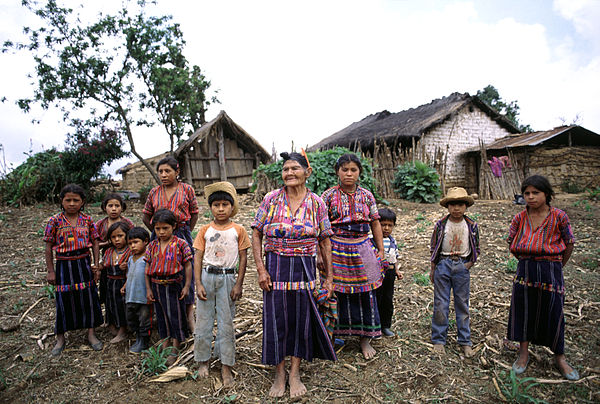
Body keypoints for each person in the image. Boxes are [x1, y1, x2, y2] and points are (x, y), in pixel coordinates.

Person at [252, 151, 336, 399]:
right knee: (276, 319)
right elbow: (256, 233)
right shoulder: (271, 199)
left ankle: (295, 372)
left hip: (304, 267)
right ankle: (279, 373)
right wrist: (260, 269)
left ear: (307, 173)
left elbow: (325, 240)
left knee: (301, 319)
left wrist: (329, 277)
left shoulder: (317, 203)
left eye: (294, 169)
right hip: (275, 267)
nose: (289, 173)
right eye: (285, 169)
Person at [507, 175, 578, 380]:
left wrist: (556, 265)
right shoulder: (520, 218)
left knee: (554, 311)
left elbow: (569, 242)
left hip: (551, 269)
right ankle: (523, 354)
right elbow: (512, 241)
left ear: (546, 194)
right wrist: (526, 258)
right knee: (524, 310)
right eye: (527, 193)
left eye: (535, 193)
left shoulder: (559, 216)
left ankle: (560, 357)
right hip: (526, 269)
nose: (530, 197)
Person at [321, 153, 384, 359]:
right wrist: (320, 253)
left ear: (359, 173)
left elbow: (375, 222)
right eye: (344, 169)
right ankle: (331, 338)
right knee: (336, 292)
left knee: (367, 291)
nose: (349, 173)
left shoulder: (367, 196)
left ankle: (365, 340)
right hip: (336, 245)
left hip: (363, 246)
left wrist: (380, 249)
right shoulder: (328, 196)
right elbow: (320, 227)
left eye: (353, 170)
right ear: (337, 172)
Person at [193, 181, 251, 386]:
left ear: (231, 207)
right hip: (207, 277)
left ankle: (226, 366)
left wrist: (239, 284)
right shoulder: (204, 230)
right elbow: (198, 257)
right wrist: (198, 282)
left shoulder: (239, 230)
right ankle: (203, 361)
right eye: (216, 205)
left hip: (228, 278)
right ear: (210, 208)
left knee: (226, 323)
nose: (220, 209)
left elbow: (243, 258)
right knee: (203, 321)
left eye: (224, 205)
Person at [43, 184, 103, 356]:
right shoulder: (54, 221)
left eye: (76, 200)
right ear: (61, 201)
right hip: (63, 266)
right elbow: (48, 247)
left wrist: (96, 265)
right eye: (67, 200)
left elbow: (96, 242)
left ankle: (91, 333)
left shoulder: (88, 220)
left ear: (82, 201)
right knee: (63, 299)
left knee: (89, 297)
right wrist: (50, 271)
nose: (71, 203)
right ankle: (60, 337)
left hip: (83, 263)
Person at [142, 156, 199, 333]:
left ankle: (189, 316)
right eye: (161, 171)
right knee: (160, 272)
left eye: (168, 171)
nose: (164, 175)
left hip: (181, 233)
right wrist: (159, 231)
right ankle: (165, 319)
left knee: (184, 272)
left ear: (177, 171)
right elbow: (146, 215)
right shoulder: (154, 192)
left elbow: (194, 213)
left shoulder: (187, 190)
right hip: (160, 236)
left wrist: (183, 232)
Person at [429, 187, 479, 357]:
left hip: (461, 265)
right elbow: (434, 247)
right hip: (443, 264)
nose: (456, 208)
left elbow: (476, 248)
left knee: (462, 305)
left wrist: (469, 264)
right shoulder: (441, 225)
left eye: (460, 205)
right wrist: (433, 269)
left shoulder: (471, 225)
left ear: (466, 206)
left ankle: (465, 340)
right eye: (452, 205)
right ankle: (438, 339)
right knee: (441, 304)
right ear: (447, 207)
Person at [144, 208, 193, 366]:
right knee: (162, 314)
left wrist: (186, 286)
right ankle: (165, 341)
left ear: (174, 227)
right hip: (157, 285)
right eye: (157, 228)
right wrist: (148, 289)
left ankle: (176, 344)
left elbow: (187, 266)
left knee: (175, 315)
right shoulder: (152, 246)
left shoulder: (181, 244)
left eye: (165, 228)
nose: (161, 232)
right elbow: (147, 270)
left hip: (174, 285)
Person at [95, 193, 134, 320]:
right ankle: (110, 318)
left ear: (122, 208)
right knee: (107, 288)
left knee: (122, 289)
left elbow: (134, 239)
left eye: (117, 206)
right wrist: (108, 244)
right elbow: (94, 243)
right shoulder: (100, 224)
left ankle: (125, 319)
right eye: (110, 205)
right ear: (104, 207)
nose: (113, 209)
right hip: (107, 259)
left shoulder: (127, 223)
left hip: (124, 258)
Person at [121, 226, 151, 354]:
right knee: (131, 318)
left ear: (145, 241)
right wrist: (125, 286)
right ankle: (138, 337)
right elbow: (129, 275)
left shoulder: (147, 259)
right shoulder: (130, 259)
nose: (132, 246)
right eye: (130, 244)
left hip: (143, 297)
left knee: (144, 320)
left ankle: (144, 342)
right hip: (131, 295)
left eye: (136, 242)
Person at [102, 221, 132, 344]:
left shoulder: (130, 251)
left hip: (122, 283)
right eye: (113, 237)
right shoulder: (109, 251)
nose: (117, 240)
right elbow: (104, 264)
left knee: (121, 305)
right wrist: (97, 267)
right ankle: (112, 323)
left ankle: (123, 329)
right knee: (110, 304)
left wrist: (127, 265)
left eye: (120, 236)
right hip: (110, 282)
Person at [375, 208, 403, 337]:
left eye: (389, 225)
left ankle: (385, 326)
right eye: (383, 225)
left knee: (387, 299)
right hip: (375, 275)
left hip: (389, 274)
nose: (386, 228)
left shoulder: (392, 241)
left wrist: (396, 270)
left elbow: (394, 257)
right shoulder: (371, 240)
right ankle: (375, 326)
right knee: (376, 299)